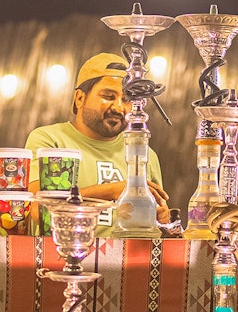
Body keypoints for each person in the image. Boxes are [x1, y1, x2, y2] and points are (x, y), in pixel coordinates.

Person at [25, 52, 170, 237]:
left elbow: (160, 219)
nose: (118, 107)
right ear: (79, 98)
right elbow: (39, 209)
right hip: (61, 259)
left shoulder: (143, 153)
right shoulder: (51, 140)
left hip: (129, 262)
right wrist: (113, 190)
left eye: (126, 100)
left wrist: (162, 220)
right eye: (108, 96)